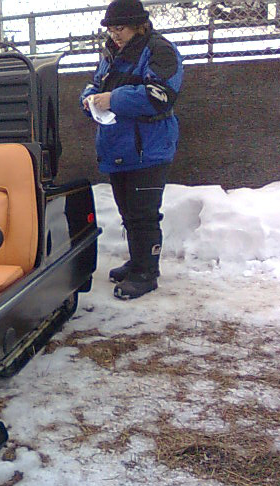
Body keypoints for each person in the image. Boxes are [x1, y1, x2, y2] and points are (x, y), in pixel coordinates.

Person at [80, 0, 183, 300]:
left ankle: (147, 273)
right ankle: (138, 262)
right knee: (128, 211)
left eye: (119, 28)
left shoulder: (159, 50)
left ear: (139, 25)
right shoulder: (112, 52)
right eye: (110, 29)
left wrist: (113, 99)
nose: (114, 35)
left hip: (149, 147)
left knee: (143, 214)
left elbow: (160, 96)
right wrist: (89, 99)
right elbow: (95, 83)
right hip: (119, 147)